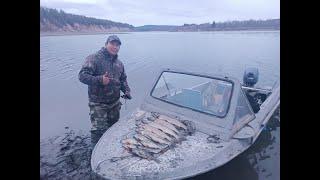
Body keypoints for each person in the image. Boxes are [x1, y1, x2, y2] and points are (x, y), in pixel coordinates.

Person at [78, 35, 132, 148]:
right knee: (98, 132)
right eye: (112, 44)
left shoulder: (119, 63)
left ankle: (110, 149)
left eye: (118, 45)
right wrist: (100, 80)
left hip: (115, 103)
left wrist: (126, 90)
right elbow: (82, 76)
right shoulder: (94, 58)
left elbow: (122, 79)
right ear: (106, 44)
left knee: (113, 129)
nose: (115, 47)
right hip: (98, 104)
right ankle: (93, 154)